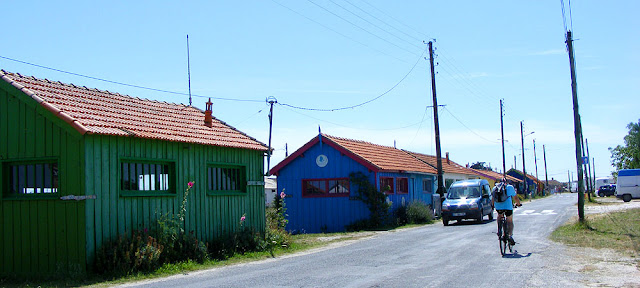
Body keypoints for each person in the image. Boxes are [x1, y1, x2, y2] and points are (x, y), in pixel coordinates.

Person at [492, 178, 522, 245]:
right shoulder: (510, 187)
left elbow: (493, 199)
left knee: (499, 215)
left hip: (498, 207)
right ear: (507, 182)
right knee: (509, 221)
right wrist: (518, 204)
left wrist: (492, 206)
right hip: (508, 207)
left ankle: (499, 229)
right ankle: (510, 236)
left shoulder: (494, 188)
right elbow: (516, 198)